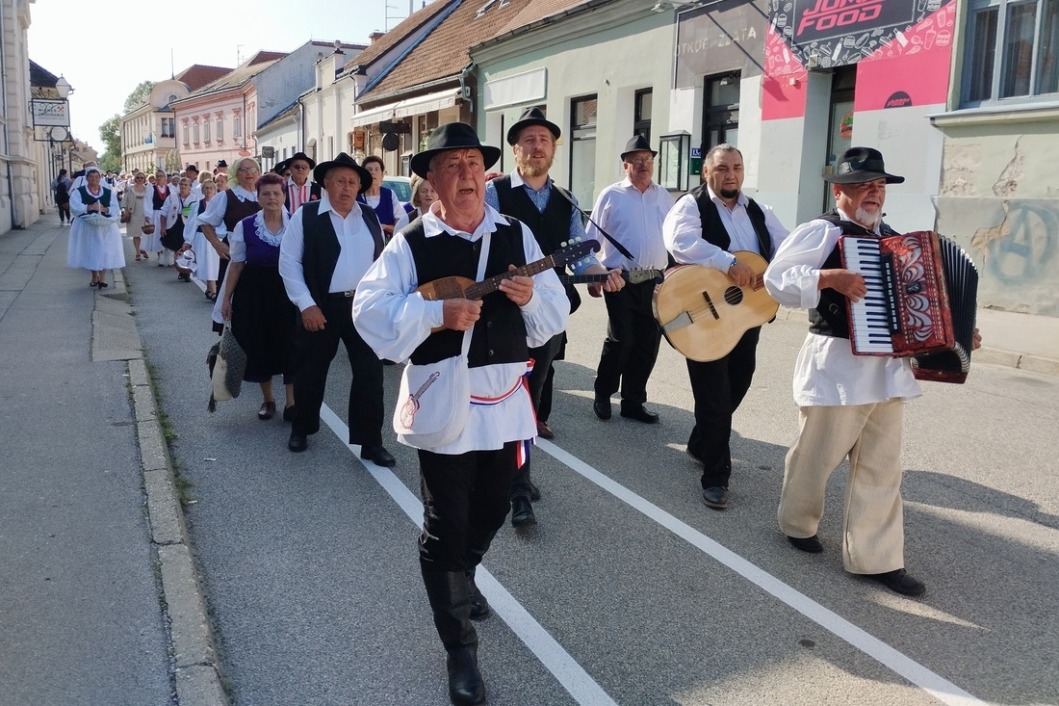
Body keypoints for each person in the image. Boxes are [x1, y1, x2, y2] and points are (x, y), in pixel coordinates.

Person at [352, 122, 568, 706]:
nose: (467, 173)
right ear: (432, 179)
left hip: (503, 400)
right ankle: (460, 650)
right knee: (446, 522)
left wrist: (533, 298)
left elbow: (555, 312)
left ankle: (461, 575)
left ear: (487, 172)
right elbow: (369, 313)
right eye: (453, 165)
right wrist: (434, 316)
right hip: (444, 397)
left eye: (474, 162)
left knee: (495, 506)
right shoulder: (412, 243)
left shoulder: (516, 235)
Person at [762, 147, 981, 597]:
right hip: (837, 363)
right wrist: (828, 279)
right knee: (816, 456)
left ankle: (876, 558)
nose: (874, 194)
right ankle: (797, 523)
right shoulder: (820, 231)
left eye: (879, 186)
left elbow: (924, 305)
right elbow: (776, 280)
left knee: (882, 468)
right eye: (864, 185)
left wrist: (960, 330)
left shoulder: (901, 244)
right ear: (839, 190)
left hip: (887, 369)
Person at [485, 106, 625, 527]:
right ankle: (512, 481)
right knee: (502, 395)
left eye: (544, 140)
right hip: (502, 310)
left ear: (553, 150)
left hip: (546, 312)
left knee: (529, 396)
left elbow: (580, 255)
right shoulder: (495, 193)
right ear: (515, 150)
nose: (537, 146)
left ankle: (517, 478)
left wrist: (603, 274)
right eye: (528, 140)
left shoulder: (567, 200)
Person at [662, 144, 789, 510]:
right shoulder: (691, 205)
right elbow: (681, 242)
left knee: (740, 380)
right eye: (721, 168)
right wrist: (728, 262)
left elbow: (785, 246)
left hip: (746, 314)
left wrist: (776, 271)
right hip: (702, 315)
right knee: (714, 397)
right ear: (706, 172)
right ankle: (716, 476)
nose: (729, 174)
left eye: (736, 167)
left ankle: (702, 441)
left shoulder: (759, 211)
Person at [278, 153, 395, 466]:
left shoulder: (369, 217)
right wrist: (307, 305)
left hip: (362, 306)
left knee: (370, 376)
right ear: (326, 184)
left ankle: (371, 441)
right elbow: (289, 263)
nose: (347, 187)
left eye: (353, 182)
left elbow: (382, 263)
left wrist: (383, 303)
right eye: (340, 181)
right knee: (310, 372)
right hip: (321, 307)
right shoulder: (307, 215)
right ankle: (301, 428)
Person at [589, 134, 674, 424]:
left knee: (648, 342)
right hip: (620, 280)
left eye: (648, 159)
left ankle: (633, 401)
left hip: (655, 281)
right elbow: (591, 241)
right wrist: (594, 277)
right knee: (622, 339)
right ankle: (603, 392)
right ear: (625, 165)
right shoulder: (611, 195)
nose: (643, 165)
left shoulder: (663, 196)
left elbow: (674, 240)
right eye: (637, 160)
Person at [221, 173, 297, 421]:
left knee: (290, 344)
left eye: (276, 193)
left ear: (284, 195)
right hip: (254, 292)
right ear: (258, 197)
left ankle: (292, 403)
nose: (272, 198)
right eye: (266, 193)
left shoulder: (296, 224)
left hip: (287, 291)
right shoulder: (245, 226)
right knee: (260, 344)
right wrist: (226, 299)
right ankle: (268, 400)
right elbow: (236, 264)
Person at [200, 157, 262, 317]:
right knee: (236, 300)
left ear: (258, 172)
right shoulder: (227, 197)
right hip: (235, 253)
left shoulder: (268, 194)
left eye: (252, 169)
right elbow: (205, 222)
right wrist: (217, 244)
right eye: (244, 169)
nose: (249, 172)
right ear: (236, 174)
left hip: (263, 254)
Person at [67, 166, 124, 288]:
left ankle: (102, 278)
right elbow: (74, 207)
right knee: (91, 249)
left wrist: (106, 209)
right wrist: (88, 207)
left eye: (96, 177)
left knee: (105, 249)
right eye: (91, 177)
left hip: (105, 226)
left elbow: (115, 208)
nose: (94, 179)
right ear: (87, 178)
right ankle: (94, 275)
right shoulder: (79, 191)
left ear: (100, 178)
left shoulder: (107, 192)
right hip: (88, 225)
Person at [184, 178, 221, 299]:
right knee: (206, 263)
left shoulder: (220, 204)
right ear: (202, 190)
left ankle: (211, 289)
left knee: (215, 264)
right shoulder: (197, 205)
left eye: (211, 188)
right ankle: (212, 289)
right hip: (202, 238)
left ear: (215, 190)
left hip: (217, 238)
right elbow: (192, 223)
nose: (209, 190)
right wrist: (188, 240)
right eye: (206, 188)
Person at [160, 177, 200, 281]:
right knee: (177, 248)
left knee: (186, 248)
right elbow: (163, 212)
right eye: (181, 184)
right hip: (174, 225)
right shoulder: (172, 197)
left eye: (185, 185)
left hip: (187, 225)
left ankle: (185, 271)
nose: (183, 186)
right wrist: (163, 227)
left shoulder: (195, 198)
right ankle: (181, 270)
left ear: (190, 187)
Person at [357, 155, 403, 239]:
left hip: (387, 245)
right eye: (369, 170)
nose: (373, 172)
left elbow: (401, 223)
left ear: (382, 175)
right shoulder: (356, 196)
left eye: (376, 169)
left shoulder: (389, 195)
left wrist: (385, 227)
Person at [122, 171, 151, 261]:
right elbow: (124, 201)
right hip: (133, 213)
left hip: (145, 214)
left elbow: (151, 201)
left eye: (142, 178)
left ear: (144, 179)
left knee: (145, 234)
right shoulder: (129, 188)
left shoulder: (148, 189)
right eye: (138, 177)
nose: (140, 179)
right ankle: (138, 252)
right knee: (136, 234)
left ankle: (143, 249)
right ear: (135, 179)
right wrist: (125, 210)